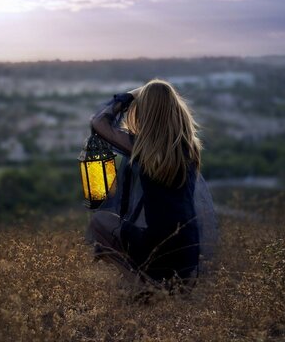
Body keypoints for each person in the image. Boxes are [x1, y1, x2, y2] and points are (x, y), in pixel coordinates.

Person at [85, 79, 216, 292]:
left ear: (146, 113)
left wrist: (128, 96)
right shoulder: (189, 147)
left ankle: (139, 283)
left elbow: (99, 122)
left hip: (157, 248)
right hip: (188, 252)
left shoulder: (144, 148)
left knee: (99, 222)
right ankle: (151, 284)